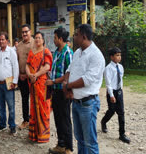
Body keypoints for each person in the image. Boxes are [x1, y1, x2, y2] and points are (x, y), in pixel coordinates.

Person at [62, 24, 105, 154]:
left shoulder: (96, 55)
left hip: (88, 104)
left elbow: (87, 80)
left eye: (76, 34)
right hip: (76, 102)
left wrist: (68, 86)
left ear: (83, 37)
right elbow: (69, 70)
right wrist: (66, 83)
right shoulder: (77, 52)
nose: (73, 37)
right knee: (80, 139)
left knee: (90, 142)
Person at [46, 28, 73, 154]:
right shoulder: (56, 52)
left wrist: (54, 81)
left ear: (61, 39)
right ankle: (61, 144)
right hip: (55, 91)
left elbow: (69, 74)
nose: (54, 40)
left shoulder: (68, 53)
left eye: (55, 37)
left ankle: (68, 148)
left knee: (65, 119)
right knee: (57, 118)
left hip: (64, 92)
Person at [26, 32, 52, 143]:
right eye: (35, 38)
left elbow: (47, 67)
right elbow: (27, 65)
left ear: (43, 40)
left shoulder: (46, 52)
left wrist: (35, 75)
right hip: (32, 84)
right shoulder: (31, 52)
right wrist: (29, 74)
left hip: (42, 84)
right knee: (33, 107)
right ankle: (33, 134)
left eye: (39, 38)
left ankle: (43, 135)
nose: (37, 40)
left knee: (43, 108)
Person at [0, 32, 19, 135]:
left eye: (3, 39)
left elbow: (16, 67)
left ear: (7, 40)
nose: (1, 41)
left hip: (8, 82)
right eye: (0, 39)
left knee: (11, 106)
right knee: (1, 106)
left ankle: (12, 126)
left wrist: (15, 82)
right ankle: (2, 124)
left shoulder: (11, 52)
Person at [101, 47, 130, 143]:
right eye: (117, 55)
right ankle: (103, 122)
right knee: (112, 110)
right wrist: (111, 95)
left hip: (119, 91)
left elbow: (120, 79)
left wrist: (120, 91)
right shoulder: (108, 69)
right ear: (112, 57)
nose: (119, 57)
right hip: (111, 92)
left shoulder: (120, 67)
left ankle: (122, 134)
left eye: (120, 55)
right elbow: (108, 83)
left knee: (121, 113)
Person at [16, 24, 34, 130]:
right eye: (22, 32)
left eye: (26, 32)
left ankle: (34, 120)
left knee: (33, 99)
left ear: (30, 31)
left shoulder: (34, 43)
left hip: (32, 78)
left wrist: (28, 75)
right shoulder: (19, 45)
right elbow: (17, 61)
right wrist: (19, 74)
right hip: (21, 77)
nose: (24, 34)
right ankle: (26, 120)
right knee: (24, 99)